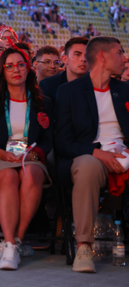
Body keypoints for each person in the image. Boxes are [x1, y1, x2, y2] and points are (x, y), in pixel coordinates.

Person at [55, 36, 129, 273]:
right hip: (90, 156)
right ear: (102, 57)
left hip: (124, 154)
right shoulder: (69, 92)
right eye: (120, 52)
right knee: (87, 166)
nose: (125, 58)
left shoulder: (124, 91)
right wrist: (98, 153)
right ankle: (84, 246)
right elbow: (63, 143)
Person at [0, 47, 53, 270]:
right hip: (0, 157)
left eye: (20, 64)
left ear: (28, 68)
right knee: (9, 176)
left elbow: (49, 139)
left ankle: (12, 244)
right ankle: (12, 243)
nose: (15, 70)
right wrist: (2, 154)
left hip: (30, 157)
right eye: (9, 66)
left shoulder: (42, 102)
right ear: (2, 72)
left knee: (31, 172)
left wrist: (36, 153)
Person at [39, 37, 89, 107]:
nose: (83, 59)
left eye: (87, 55)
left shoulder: (98, 85)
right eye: (77, 54)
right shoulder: (48, 86)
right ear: (65, 59)